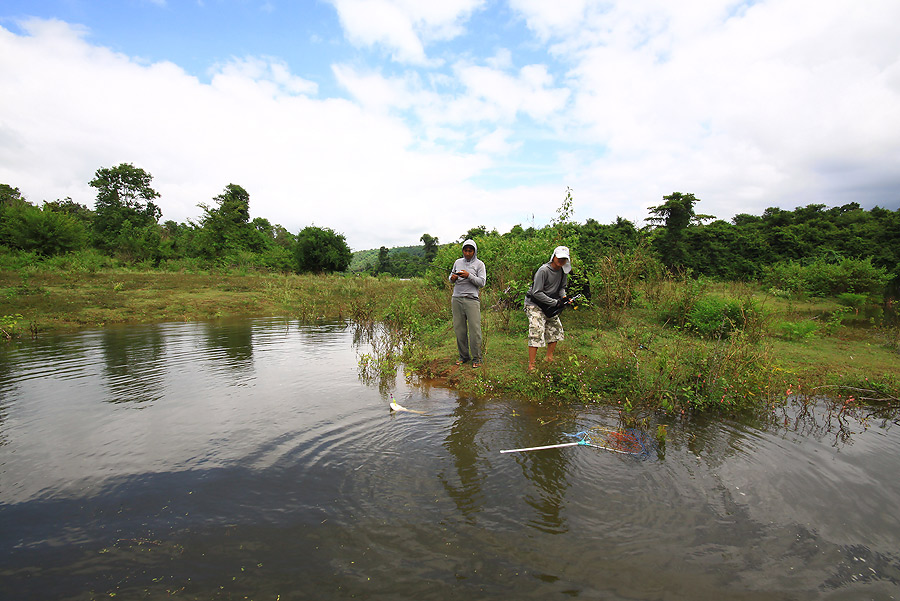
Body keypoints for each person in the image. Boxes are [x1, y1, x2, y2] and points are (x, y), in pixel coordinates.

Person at [524, 245, 572, 371]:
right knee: (536, 330)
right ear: (554, 256)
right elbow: (536, 292)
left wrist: (564, 298)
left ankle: (549, 357)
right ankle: (532, 365)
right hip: (534, 304)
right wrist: (555, 303)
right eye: (559, 258)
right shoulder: (543, 270)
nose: (561, 261)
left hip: (550, 304)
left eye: (564, 259)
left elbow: (562, 288)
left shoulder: (563, 271)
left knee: (555, 328)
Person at [449, 239, 486, 368]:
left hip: (472, 300)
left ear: (474, 251)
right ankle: (463, 356)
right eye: (465, 250)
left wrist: (468, 275)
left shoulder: (479, 264)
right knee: (460, 329)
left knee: (475, 330)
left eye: (470, 251)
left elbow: (482, 282)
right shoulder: (457, 262)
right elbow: (451, 278)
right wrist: (452, 278)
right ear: (463, 250)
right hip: (457, 299)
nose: (468, 253)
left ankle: (477, 358)